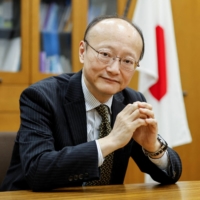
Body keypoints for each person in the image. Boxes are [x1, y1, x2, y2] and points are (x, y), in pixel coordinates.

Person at [0, 15, 182, 191]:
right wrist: (111, 141)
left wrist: (153, 148)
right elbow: (37, 170)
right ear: (82, 52)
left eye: (127, 61)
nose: (114, 69)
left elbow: (170, 175)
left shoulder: (132, 101)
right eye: (105, 54)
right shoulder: (41, 97)